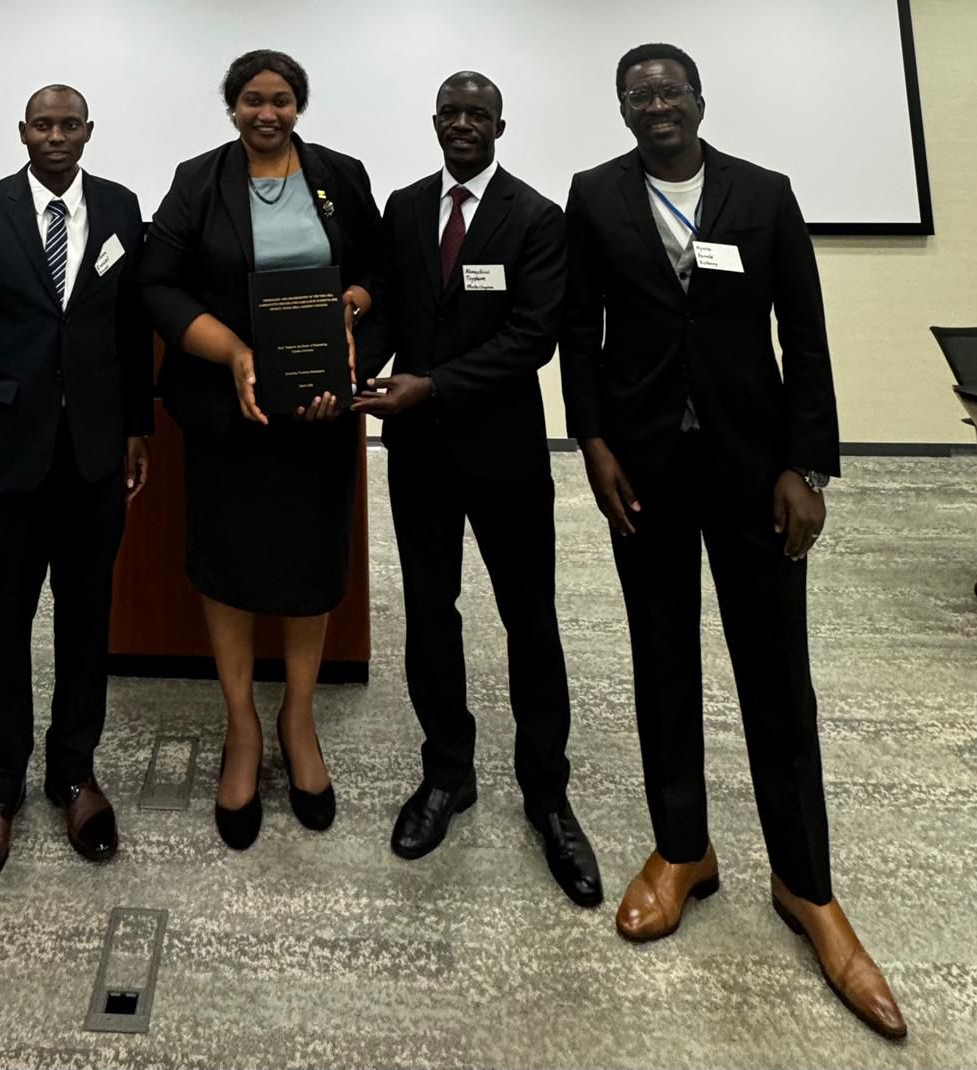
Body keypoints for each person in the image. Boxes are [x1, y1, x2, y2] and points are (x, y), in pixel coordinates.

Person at [560, 43, 906, 1038]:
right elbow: (579, 330)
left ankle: (805, 884)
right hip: (643, 467)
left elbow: (806, 333)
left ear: (700, 101)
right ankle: (684, 850)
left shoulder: (764, 194)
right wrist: (591, 442)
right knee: (661, 657)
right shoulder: (594, 196)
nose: (656, 104)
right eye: (638, 94)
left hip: (755, 469)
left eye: (670, 90)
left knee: (776, 672)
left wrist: (807, 466)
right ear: (622, 110)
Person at [351, 73, 600, 906]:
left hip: (505, 453)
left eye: (478, 115)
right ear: (435, 123)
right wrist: (352, 364)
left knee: (530, 620)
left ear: (500, 126)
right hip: (418, 453)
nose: (463, 124)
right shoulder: (405, 206)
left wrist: (432, 386)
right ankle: (447, 774)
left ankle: (547, 795)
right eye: (451, 113)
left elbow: (534, 338)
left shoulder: (536, 217)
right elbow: (390, 312)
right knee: (430, 613)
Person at [139, 49, 379, 850]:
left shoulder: (340, 176)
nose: (266, 113)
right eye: (251, 100)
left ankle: (297, 720)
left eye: (280, 99)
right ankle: (242, 725)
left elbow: (376, 272)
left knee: (311, 569)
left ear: (298, 106)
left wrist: (351, 308)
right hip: (228, 414)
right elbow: (159, 285)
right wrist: (237, 353)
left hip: (317, 415)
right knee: (229, 567)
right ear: (232, 106)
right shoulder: (198, 180)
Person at [0, 85, 153, 895]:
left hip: (94, 454)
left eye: (69, 125)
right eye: (42, 124)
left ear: (88, 132)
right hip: (5, 458)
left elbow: (131, 329)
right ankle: (0, 785)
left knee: (88, 618)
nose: (56, 136)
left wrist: (137, 426)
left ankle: (74, 772)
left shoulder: (121, 207)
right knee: (5, 621)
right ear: (22, 132)